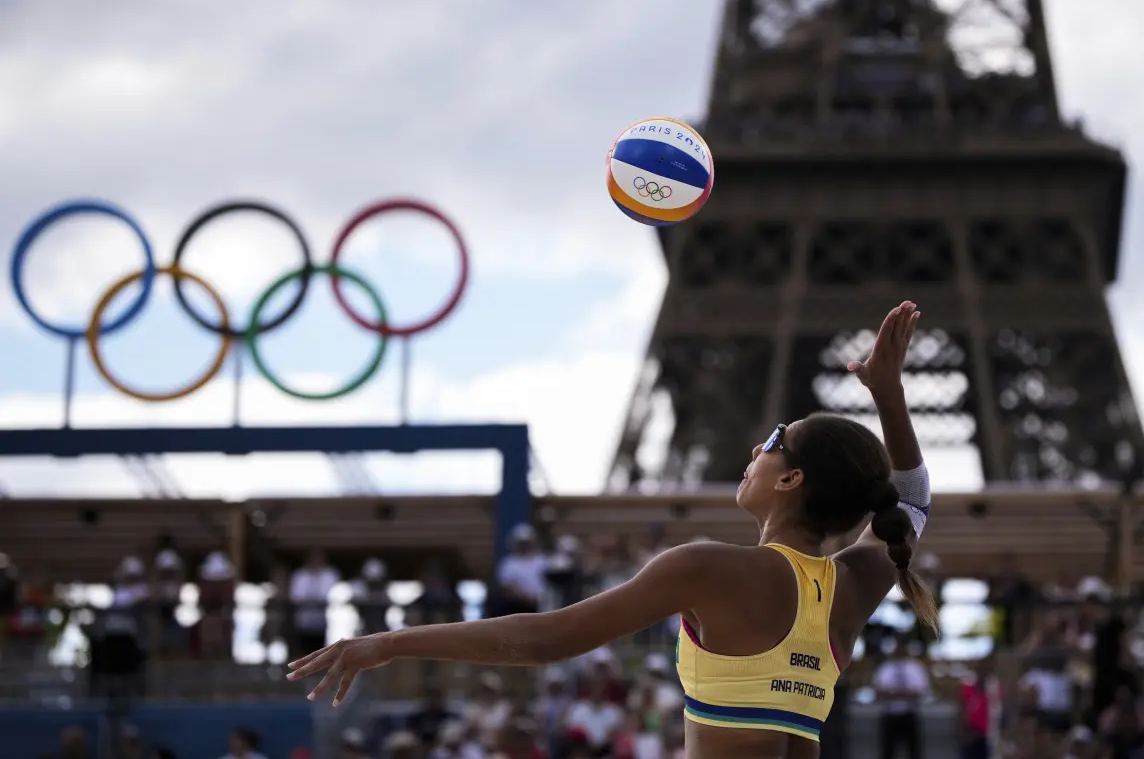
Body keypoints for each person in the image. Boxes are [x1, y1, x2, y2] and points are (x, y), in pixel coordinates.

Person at [288, 302, 938, 759]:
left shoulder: (711, 568)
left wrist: (394, 642)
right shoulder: (850, 587)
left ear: (793, 480)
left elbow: (546, 638)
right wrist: (888, 395)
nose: (755, 449)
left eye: (773, 442)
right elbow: (912, 498)